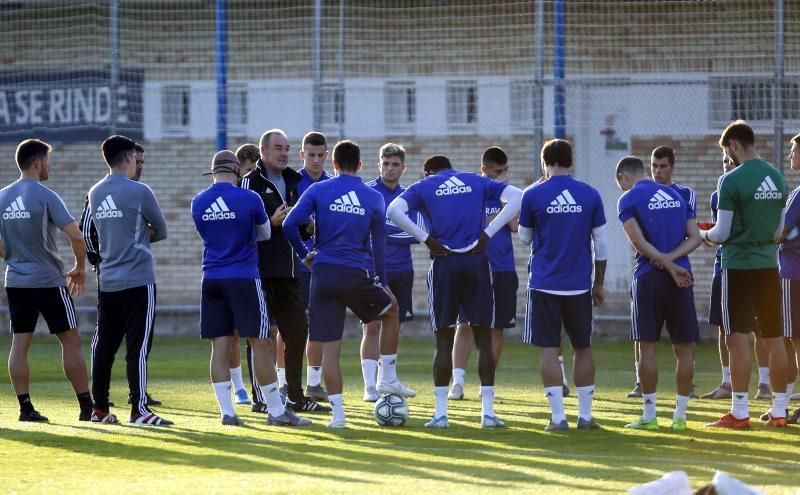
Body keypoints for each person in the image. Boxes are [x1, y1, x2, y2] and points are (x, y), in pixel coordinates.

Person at [387, 154, 522, 428]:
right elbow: (519, 196)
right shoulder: (476, 180)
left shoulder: (423, 186)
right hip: (476, 261)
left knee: (444, 340)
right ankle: (487, 414)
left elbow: (392, 211)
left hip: (444, 263)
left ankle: (440, 415)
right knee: (484, 337)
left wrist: (426, 239)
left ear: (427, 172)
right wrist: (488, 233)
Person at [284, 140, 399, 428]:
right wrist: (383, 282)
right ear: (360, 165)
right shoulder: (373, 197)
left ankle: (338, 418)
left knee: (330, 350)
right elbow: (380, 244)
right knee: (392, 310)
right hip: (355, 274)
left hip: (323, 274)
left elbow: (288, 225)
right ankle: (387, 379)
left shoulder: (318, 189)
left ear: (333, 164)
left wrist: (305, 254)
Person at [192, 150, 311, 426]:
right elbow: (265, 233)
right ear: (236, 169)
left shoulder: (198, 201)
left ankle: (227, 413)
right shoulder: (249, 198)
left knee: (220, 346)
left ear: (212, 171)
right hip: (244, 277)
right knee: (260, 342)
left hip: (211, 278)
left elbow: (206, 233)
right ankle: (276, 411)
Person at [701, 120, 789, 428]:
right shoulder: (777, 177)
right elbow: (778, 231)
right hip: (768, 267)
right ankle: (779, 411)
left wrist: (704, 236)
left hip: (737, 267)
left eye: (728, 151)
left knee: (736, 338)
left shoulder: (730, 180)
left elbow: (722, 232)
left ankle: (740, 412)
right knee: (775, 339)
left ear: (734, 146)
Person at [518, 139, 607, 430]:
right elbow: (602, 245)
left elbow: (524, 238)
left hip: (544, 283)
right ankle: (585, 416)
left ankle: (558, 418)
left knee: (548, 348)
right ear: (570, 161)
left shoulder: (532, 194)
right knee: (583, 347)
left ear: (544, 162)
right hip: (580, 284)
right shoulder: (590, 194)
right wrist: (599, 283)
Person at [0, 138, 92, 422]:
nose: (49, 166)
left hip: (16, 282)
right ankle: (87, 408)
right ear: (38, 162)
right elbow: (76, 234)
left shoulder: (1, 197)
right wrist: (79, 267)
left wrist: (11, 256)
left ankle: (25, 408)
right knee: (71, 341)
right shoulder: (45, 195)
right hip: (50, 281)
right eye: (48, 161)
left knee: (20, 343)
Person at [239, 129, 329, 413]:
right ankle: (261, 399)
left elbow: (296, 223)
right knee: (261, 336)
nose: (284, 153)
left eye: (287, 148)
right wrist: (270, 223)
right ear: (263, 151)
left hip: (290, 272)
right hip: (259, 274)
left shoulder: (294, 181)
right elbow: (240, 228)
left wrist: (307, 227)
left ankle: (295, 397)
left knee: (298, 331)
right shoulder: (249, 183)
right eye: (278, 147)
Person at [88, 135, 171, 426]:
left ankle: (99, 409)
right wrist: (140, 235)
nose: (138, 163)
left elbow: (91, 234)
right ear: (127, 158)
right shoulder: (140, 191)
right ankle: (139, 410)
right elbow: (160, 230)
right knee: (138, 347)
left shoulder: (95, 192)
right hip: (138, 280)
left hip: (107, 280)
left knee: (104, 346)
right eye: (136, 158)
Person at [615, 155, 701, 430]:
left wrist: (664, 263)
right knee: (685, 350)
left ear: (623, 178)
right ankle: (680, 418)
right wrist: (674, 264)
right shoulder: (677, 196)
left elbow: (638, 242)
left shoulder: (628, 199)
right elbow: (696, 237)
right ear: (645, 171)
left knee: (647, 348)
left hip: (649, 278)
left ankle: (650, 416)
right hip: (682, 278)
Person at [449, 147, 519, 401]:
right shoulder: (473, 194)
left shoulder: (508, 196)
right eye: (496, 172)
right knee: (465, 324)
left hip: (503, 269)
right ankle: (457, 383)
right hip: (474, 267)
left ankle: (486, 384)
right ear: (484, 171)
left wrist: (503, 197)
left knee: (496, 328)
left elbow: (514, 226)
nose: (501, 176)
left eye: (504, 171)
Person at [700, 154, 772, 400]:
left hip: (752, 266)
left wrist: (705, 236)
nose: (727, 163)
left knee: (761, 328)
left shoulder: (756, 192)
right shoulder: (717, 194)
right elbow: (723, 233)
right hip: (725, 265)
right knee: (725, 326)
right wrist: (711, 237)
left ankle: (764, 384)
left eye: (731, 160)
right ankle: (727, 382)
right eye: (723, 160)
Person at [362, 143, 420, 402]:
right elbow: (364, 234)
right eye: (385, 163)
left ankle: (389, 380)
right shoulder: (368, 193)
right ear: (379, 165)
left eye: (395, 164)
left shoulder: (409, 197)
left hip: (402, 270)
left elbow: (416, 234)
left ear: (403, 167)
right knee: (372, 325)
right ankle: (369, 387)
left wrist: (383, 232)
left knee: (394, 326)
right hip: (372, 270)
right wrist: (392, 230)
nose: (390, 168)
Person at [221, 142, 261, 406]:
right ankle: (238, 387)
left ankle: (266, 387)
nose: (246, 178)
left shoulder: (250, 198)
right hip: (229, 273)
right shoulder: (224, 198)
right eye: (245, 172)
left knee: (258, 334)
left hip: (251, 271)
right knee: (232, 334)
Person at [296, 131, 334, 403]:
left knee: (319, 324)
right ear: (302, 155)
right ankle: (285, 380)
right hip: (295, 265)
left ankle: (313, 383)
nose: (317, 160)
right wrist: (304, 227)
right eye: (311, 155)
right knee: (290, 326)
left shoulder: (333, 185)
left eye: (321, 155)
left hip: (323, 266)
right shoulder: (293, 182)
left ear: (328, 156)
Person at [778, 133, 800, 422]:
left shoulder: (798, 193)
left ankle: (780, 405)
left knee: (794, 341)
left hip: (794, 274)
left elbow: (780, 230)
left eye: (794, 150)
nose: (790, 155)